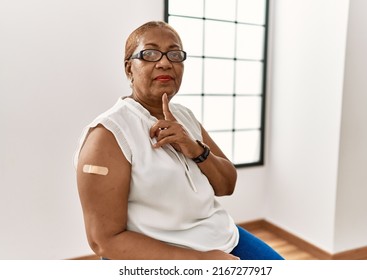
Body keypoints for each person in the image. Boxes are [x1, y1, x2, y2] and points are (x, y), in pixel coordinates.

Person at [74, 21, 284, 260]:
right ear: (129, 68)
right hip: (159, 254)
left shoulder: (185, 116)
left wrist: (195, 149)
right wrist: (200, 261)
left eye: (175, 54)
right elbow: (104, 241)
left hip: (222, 236)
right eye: (150, 53)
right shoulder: (108, 134)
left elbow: (227, 185)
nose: (165, 62)